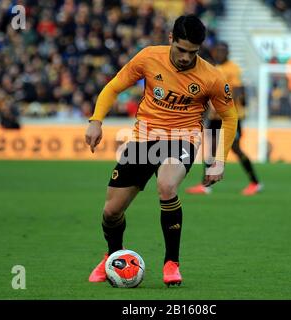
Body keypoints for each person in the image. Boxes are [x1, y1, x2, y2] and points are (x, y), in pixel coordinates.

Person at [85, 15, 238, 286]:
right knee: (111, 212)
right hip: (144, 139)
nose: (184, 58)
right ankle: (113, 257)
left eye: (192, 52)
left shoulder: (211, 76)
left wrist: (218, 160)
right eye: (180, 50)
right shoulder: (147, 58)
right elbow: (113, 88)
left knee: (167, 186)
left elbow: (230, 117)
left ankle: (171, 263)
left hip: (183, 138)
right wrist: (96, 121)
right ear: (170, 39)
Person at [185, 41, 262, 196]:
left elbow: (238, 91)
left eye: (223, 51)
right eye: (218, 51)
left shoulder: (233, 68)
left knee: (235, 148)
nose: (220, 53)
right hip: (214, 116)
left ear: (227, 52)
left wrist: (221, 105)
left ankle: (255, 182)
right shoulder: (212, 67)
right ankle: (206, 184)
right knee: (211, 148)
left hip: (230, 116)